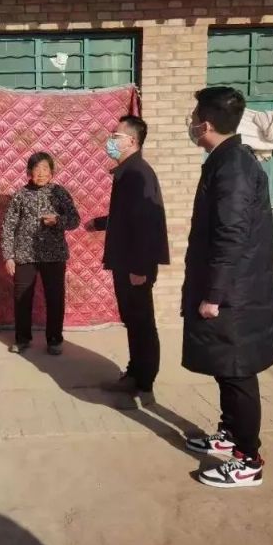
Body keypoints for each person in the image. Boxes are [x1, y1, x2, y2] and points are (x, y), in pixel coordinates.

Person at [182, 86, 273, 489]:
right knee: (226, 367)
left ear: (205, 124)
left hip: (235, 297)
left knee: (238, 372)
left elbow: (231, 234)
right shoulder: (226, 160)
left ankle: (248, 460)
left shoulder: (233, 167)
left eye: (193, 118)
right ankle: (230, 434)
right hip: (234, 291)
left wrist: (214, 294)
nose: (190, 123)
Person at [87, 116, 169, 410]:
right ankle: (134, 373)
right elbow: (127, 216)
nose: (110, 140)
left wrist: (140, 268)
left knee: (142, 322)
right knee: (133, 320)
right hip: (127, 261)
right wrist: (100, 223)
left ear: (132, 141)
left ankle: (144, 382)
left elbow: (147, 222)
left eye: (116, 136)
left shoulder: (138, 173)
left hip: (136, 265)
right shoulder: (128, 172)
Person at [1, 152, 80, 355]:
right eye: (37, 169)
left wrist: (58, 221)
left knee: (55, 298)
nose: (41, 173)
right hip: (25, 254)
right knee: (22, 298)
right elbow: (8, 226)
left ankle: (54, 340)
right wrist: (8, 256)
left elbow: (74, 219)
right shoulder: (20, 195)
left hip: (54, 254)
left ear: (52, 172)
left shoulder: (59, 193)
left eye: (46, 169)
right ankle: (22, 339)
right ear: (29, 172)